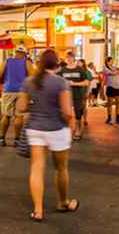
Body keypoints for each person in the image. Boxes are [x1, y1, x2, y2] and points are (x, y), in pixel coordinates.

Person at [18, 49, 79, 222]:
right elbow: (67, 112)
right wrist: (71, 123)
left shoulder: (29, 82)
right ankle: (63, 202)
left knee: (37, 168)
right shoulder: (61, 83)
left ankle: (38, 210)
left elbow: (21, 107)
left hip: (35, 129)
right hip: (57, 129)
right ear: (57, 64)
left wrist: (37, 107)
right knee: (61, 168)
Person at [0, 47, 29, 147]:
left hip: (8, 90)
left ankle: (2, 139)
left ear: (15, 53)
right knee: (18, 116)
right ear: (24, 53)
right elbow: (33, 75)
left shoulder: (7, 61)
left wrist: (3, 83)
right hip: (21, 91)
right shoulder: (26, 62)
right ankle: (17, 140)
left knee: (6, 115)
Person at [58, 52, 91, 141]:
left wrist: (74, 83)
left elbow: (87, 82)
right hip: (66, 96)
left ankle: (77, 131)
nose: (69, 59)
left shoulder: (79, 69)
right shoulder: (62, 70)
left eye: (71, 57)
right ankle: (66, 132)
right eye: (67, 57)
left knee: (78, 114)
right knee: (66, 114)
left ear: (74, 58)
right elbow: (57, 82)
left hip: (77, 95)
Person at [103, 56, 119, 125]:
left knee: (118, 103)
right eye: (111, 60)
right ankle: (109, 118)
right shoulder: (105, 68)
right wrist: (116, 72)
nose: (112, 62)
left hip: (117, 87)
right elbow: (113, 73)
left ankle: (117, 118)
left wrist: (117, 71)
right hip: (110, 87)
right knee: (110, 103)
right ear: (108, 61)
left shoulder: (114, 67)